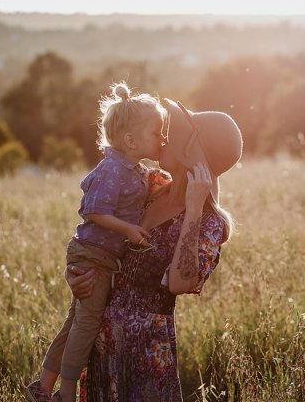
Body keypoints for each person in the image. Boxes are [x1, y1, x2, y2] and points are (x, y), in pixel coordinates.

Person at [66, 98, 243, 401]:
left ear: (192, 151)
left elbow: (180, 282)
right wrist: (78, 272)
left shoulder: (210, 223)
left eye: (174, 134)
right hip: (102, 341)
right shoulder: (148, 185)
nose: (165, 138)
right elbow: (97, 232)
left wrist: (193, 211)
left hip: (146, 354)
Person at [27, 82, 168, 402]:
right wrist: (128, 230)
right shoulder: (112, 169)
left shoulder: (134, 169)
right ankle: (66, 394)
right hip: (94, 255)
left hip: (100, 255)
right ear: (131, 140)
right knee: (87, 325)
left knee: (75, 321)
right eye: (157, 132)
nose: (162, 139)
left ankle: (42, 387)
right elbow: (94, 211)